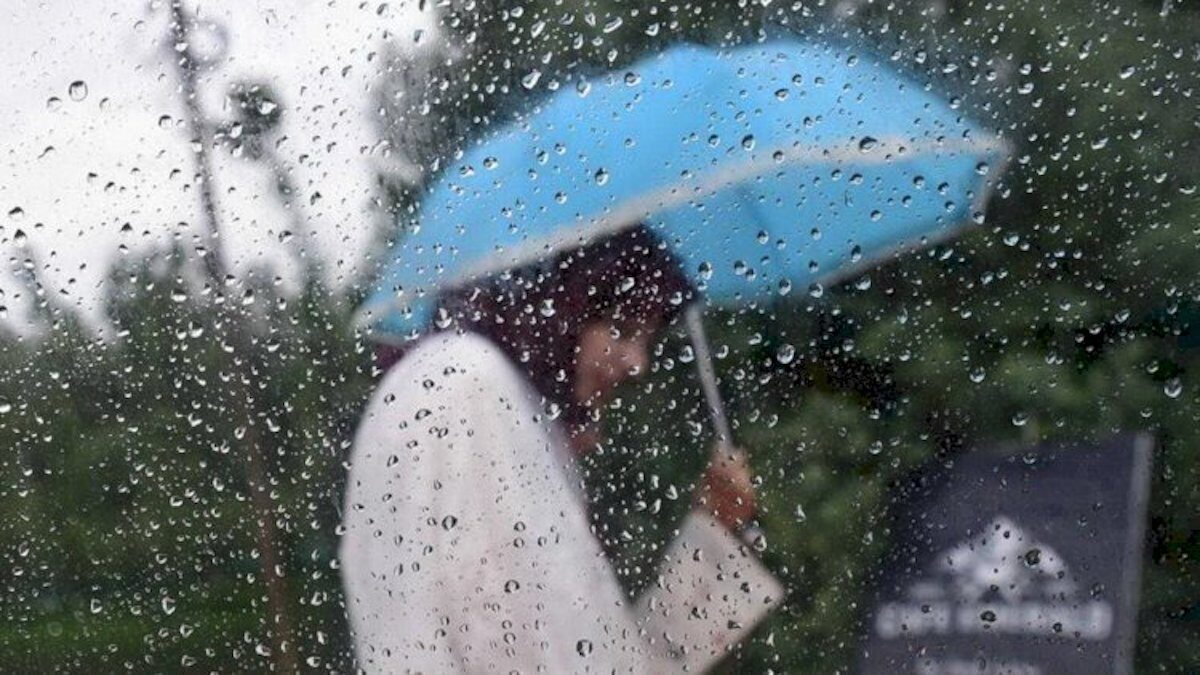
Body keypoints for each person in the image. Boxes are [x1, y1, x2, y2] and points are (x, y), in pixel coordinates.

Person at [340, 225, 781, 673]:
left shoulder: (484, 394)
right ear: (558, 308)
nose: (638, 363)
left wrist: (713, 530)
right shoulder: (469, 387)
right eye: (620, 329)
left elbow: (598, 655)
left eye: (646, 340)